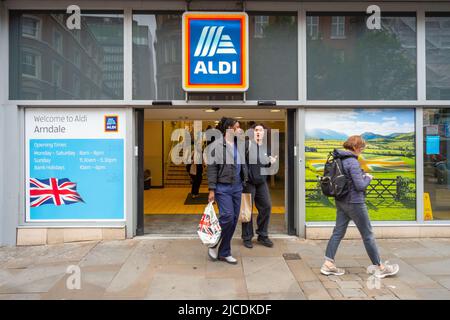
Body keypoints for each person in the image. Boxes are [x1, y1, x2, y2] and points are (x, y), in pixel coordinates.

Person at [321, 135, 400, 278]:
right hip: (355, 203)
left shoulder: (339, 158)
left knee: (338, 232)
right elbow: (360, 185)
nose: (362, 151)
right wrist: (368, 178)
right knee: (368, 235)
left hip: (341, 201)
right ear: (356, 147)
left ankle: (328, 264)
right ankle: (380, 268)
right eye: (362, 148)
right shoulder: (352, 162)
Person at [207, 117, 248, 264]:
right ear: (228, 129)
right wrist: (212, 190)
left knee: (233, 220)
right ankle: (213, 243)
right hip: (222, 187)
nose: (239, 130)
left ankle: (224, 252)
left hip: (237, 187)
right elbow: (211, 169)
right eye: (236, 127)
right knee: (227, 216)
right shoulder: (216, 146)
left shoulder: (239, 144)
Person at [242, 123, 277, 248]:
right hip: (249, 183)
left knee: (266, 206)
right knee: (247, 211)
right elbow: (242, 163)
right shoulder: (247, 145)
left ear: (264, 133)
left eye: (260, 130)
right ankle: (247, 237)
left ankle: (262, 235)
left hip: (261, 183)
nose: (258, 132)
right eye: (256, 130)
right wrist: (245, 178)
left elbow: (264, 165)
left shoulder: (265, 148)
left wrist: (270, 162)